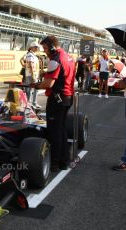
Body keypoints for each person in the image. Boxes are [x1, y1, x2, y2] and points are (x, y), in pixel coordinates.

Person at [31, 35, 75, 171]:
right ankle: (64, 160)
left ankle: (54, 163)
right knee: (61, 130)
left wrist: (35, 85)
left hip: (57, 99)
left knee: (54, 132)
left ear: (51, 47)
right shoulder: (68, 57)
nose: (44, 51)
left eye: (45, 48)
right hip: (68, 97)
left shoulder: (56, 60)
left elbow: (48, 83)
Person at [22, 41, 41, 109]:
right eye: (36, 47)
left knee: (36, 89)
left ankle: (34, 103)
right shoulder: (30, 55)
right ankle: (29, 103)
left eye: (37, 47)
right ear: (32, 48)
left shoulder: (33, 55)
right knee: (29, 90)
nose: (37, 48)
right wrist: (33, 75)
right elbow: (31, 65)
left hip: (34, 74)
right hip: (31, 75)